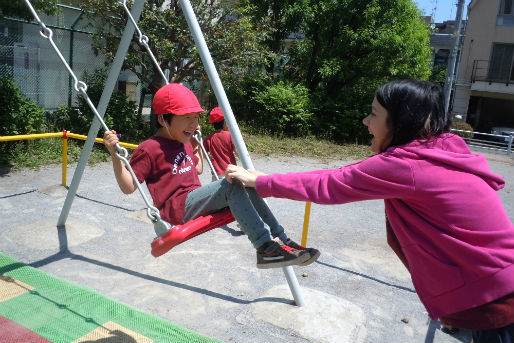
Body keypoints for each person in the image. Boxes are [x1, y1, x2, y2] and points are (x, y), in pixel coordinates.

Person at [226, 79, 514, 342]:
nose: (365, 121)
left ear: (400, 121)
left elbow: (332, 183)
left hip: (491, 299)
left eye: (374, 113)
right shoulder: (444, 148)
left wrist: (260, 181)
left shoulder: (407, 166)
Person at [103, 83, 319, 269]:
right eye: (187, 118)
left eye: (196, 118)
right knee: (232, 182)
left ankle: (281, 239)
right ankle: (264, 247)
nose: (194, 125)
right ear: (162, 119)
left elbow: (196, 171)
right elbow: (128, 187)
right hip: (176, 209)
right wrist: (115, 155)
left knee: (245, 178)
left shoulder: (183, 142)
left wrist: (196, 149)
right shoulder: (149, 148)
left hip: (194, 199)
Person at [203, 107, 237, 180]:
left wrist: (211, 158)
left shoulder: (209, 138)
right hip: (230, 172)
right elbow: (238, 153)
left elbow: (203, 153)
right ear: (225, 123)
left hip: (216, 174)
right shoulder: (230, 135)